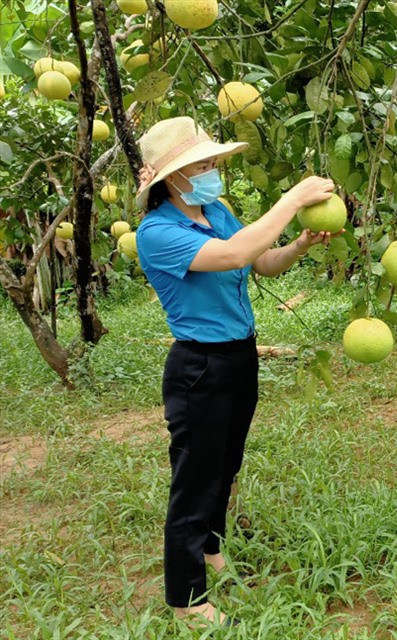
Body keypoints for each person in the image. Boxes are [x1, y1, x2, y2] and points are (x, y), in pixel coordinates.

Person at [134, 116, 339, 625]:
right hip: (198, 366)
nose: (210, 171)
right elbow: (233, 254)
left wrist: (298, 246)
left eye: (211, 162)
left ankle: (211, 550)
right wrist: (291, 200)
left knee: (225, 465)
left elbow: (259, 262)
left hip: (239, 356)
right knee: (195, 478)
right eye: (200, 165)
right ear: (171, 176)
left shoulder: (214, 210)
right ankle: (185, 599)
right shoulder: (157, 232)